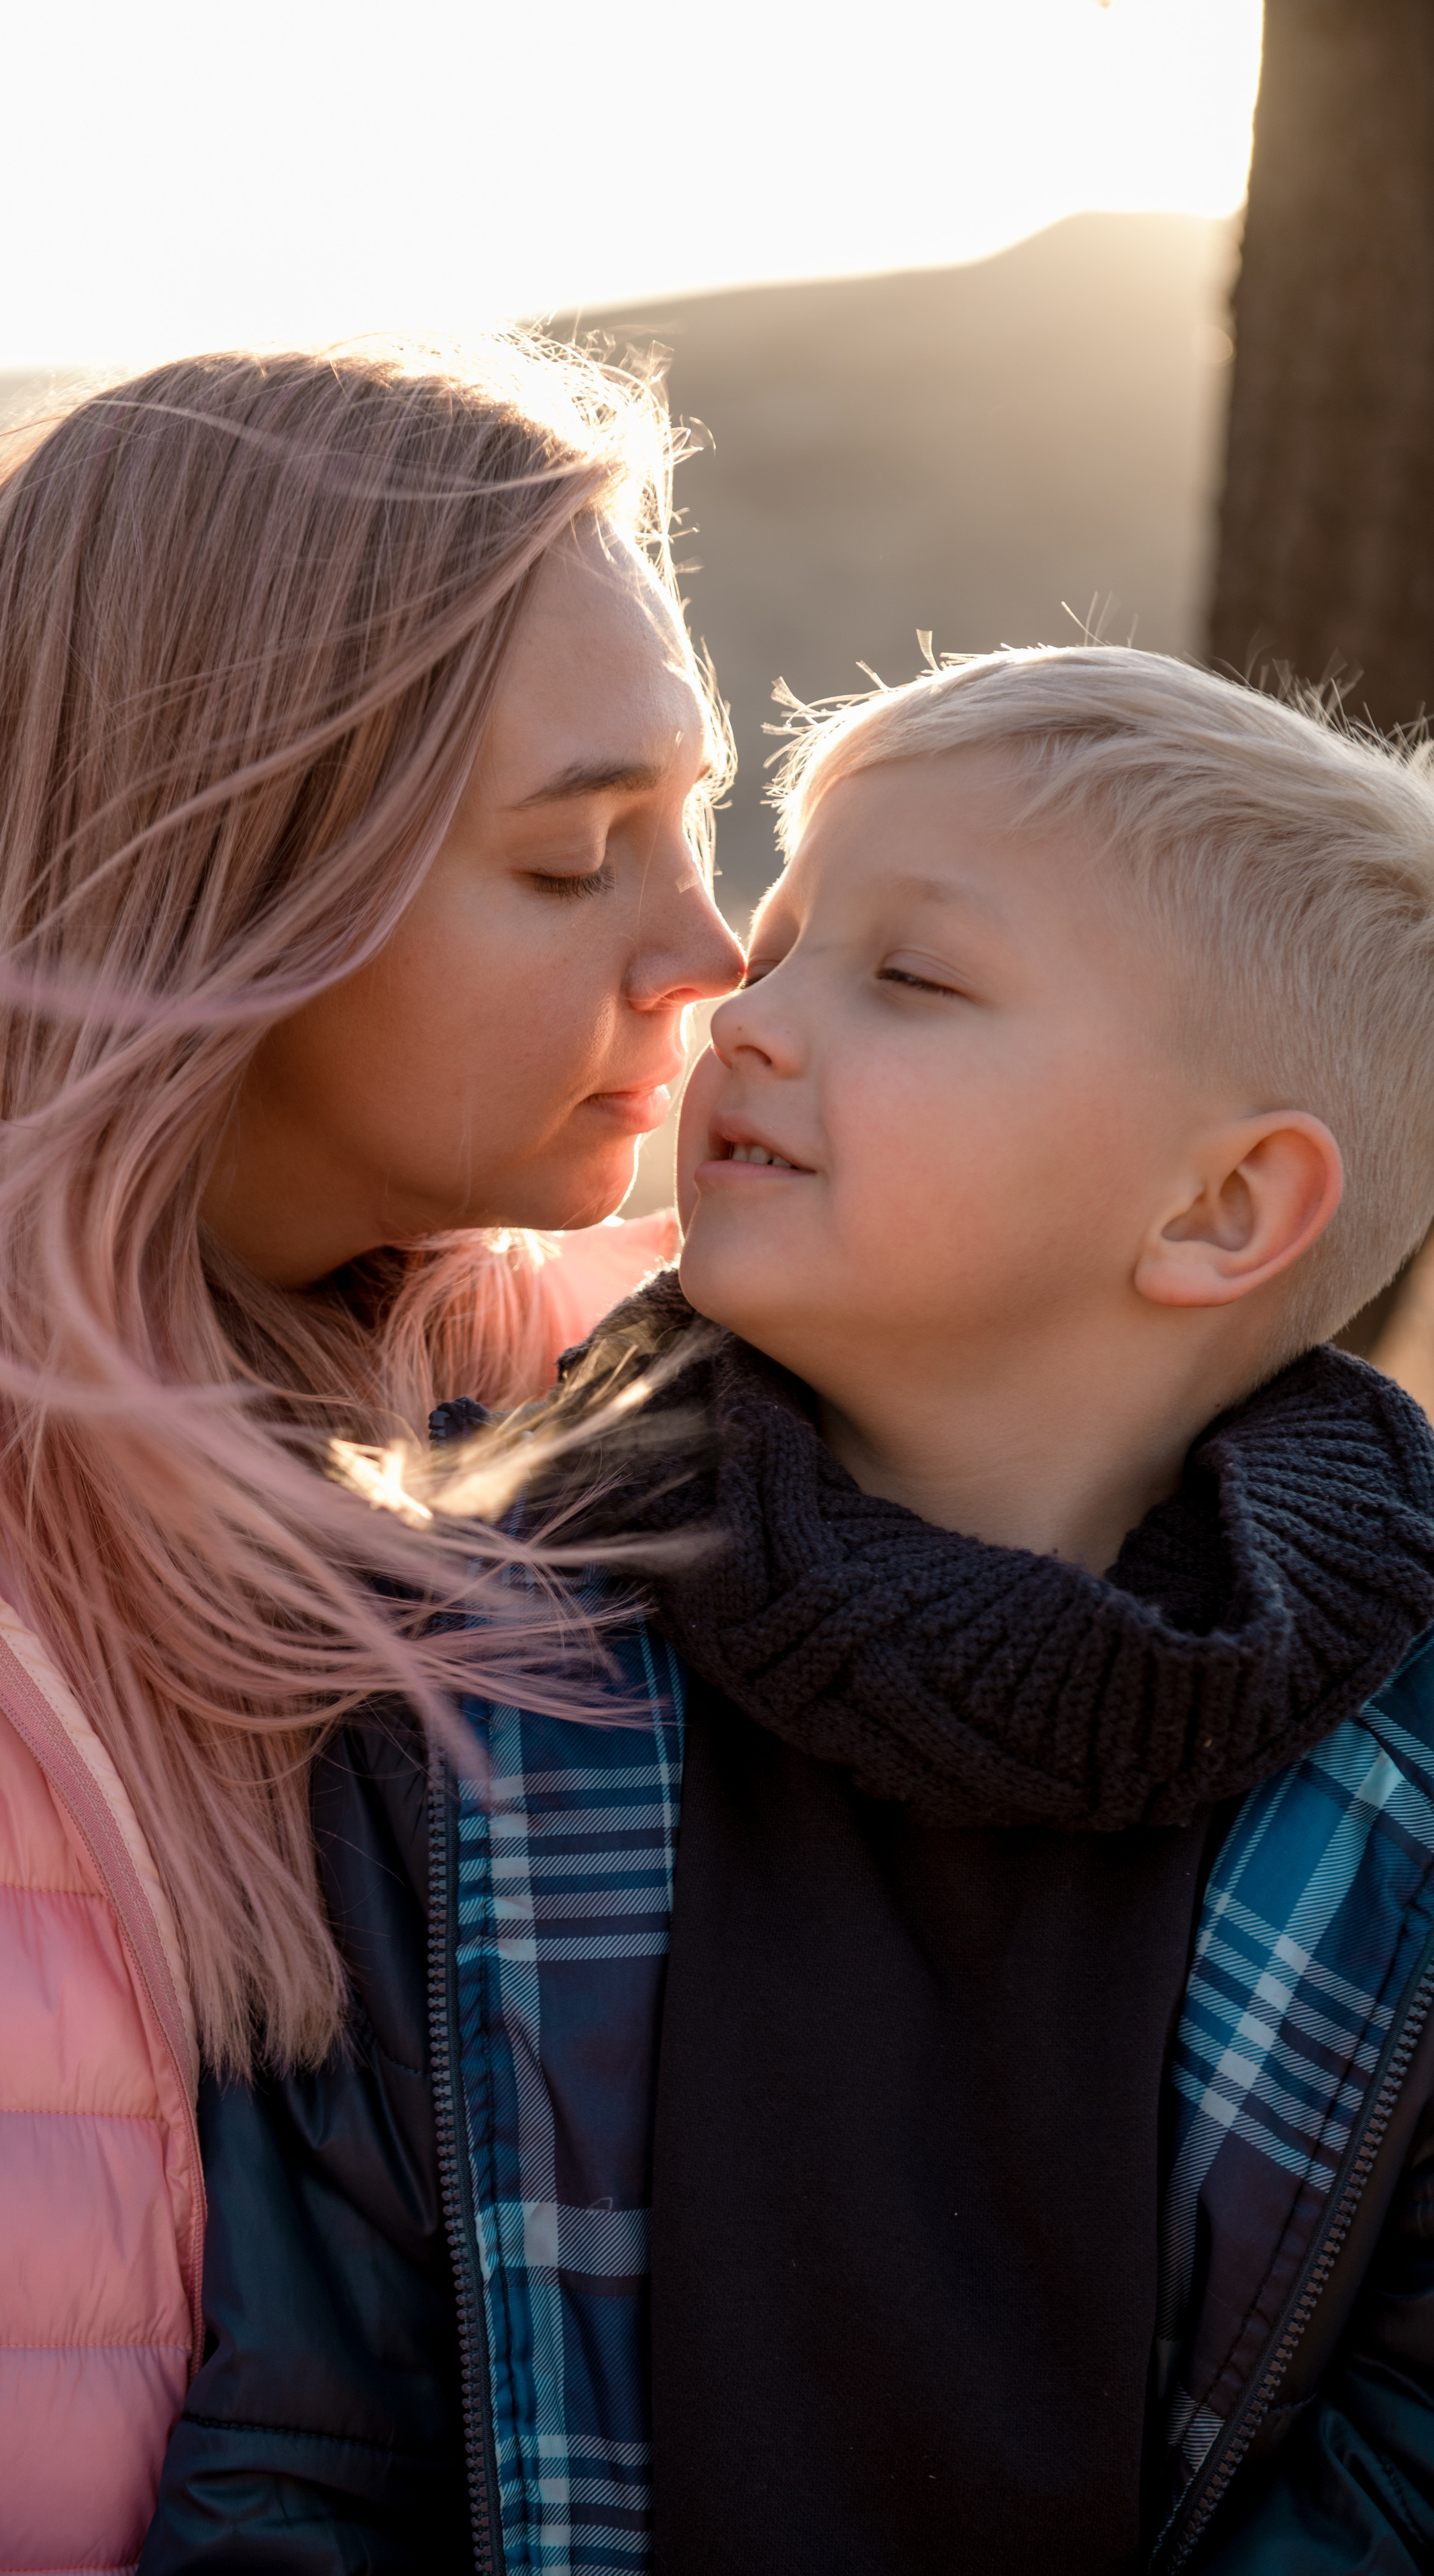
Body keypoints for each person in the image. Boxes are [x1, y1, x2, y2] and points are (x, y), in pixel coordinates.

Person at [147, 647, 1434, 2576]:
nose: (744, 1021)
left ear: (1219, 1211)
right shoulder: (466, 1669)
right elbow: (308, 2439)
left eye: (909, 977)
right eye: (780, 945)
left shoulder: (1399, 1795)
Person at [0, 335, 744, 2573]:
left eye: (699, 816)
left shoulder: (596, 1413)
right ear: (223, 881)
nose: (716, 946)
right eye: (582, 858)